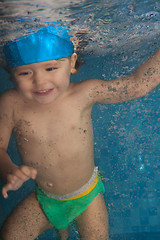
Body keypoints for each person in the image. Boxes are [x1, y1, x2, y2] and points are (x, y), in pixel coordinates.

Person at [0, 24, 159, 240]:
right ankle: (61, 226)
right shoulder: (10, 104)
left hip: (87, 196)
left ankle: (63, 228)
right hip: (45, 199)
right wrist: (8, 169)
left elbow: (136, 85)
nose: (40, 81)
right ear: (11, 73)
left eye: (51, 68)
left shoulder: (85, 93)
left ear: (72, 63)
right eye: (25, 73)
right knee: (10, 235)